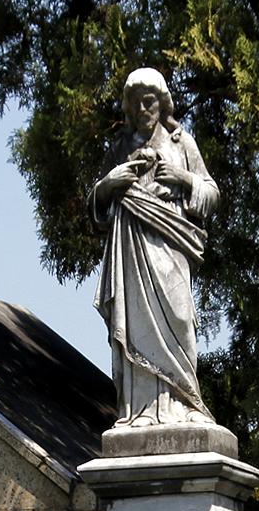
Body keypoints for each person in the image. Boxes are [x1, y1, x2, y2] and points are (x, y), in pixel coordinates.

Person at [91, 67, 220, 427]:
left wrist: (183, 179)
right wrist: (108, 184)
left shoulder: (181, 143)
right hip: (131, 250)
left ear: (162, 104)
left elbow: (211, 193)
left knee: (179, 319)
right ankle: (140, 411)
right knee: (135, 326)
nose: (143, 109)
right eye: (136, 103)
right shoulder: (119, 147)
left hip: (171, 246)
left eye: (149, 101)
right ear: (129, 108)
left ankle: (186, 404)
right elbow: (97, 207)